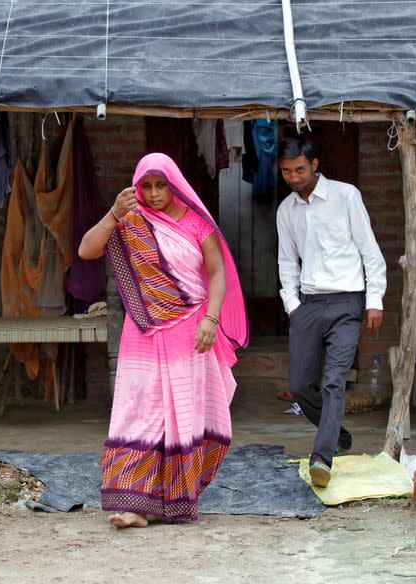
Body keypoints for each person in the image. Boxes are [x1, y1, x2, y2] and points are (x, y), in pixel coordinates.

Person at [78, 153, 248, 528]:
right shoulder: (130, 221)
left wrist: (211, 318)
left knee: (183, 418)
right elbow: (86, 250)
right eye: (147, 186)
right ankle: (134, 505)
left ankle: (170, 501)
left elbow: (216, 274)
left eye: (161, 185)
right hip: (143, 333)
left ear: (174, 186)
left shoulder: (195, 225)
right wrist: (112, 214)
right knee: (138, 415)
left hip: (191, 333)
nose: (154, 194)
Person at [276, 135, 386, 488]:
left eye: (299, 169)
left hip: (346, 302)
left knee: (334, 380)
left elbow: (370, 250)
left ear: (315, 164)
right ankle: (335, 430)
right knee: (299, 385)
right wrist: (292, 305)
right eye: (286, 171)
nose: (293, 177)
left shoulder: (346, 196)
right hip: (308, 304)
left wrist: (374, 299)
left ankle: (321, 458)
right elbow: (286, 261)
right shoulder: (285, 211)